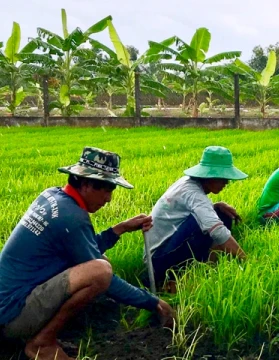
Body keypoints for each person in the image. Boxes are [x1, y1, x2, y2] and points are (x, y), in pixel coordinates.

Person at [0, 147, 175, 360]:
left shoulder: (52, 196)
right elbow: (105, 278)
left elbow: (82, 248)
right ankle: (42, 343)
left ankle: (43, 334)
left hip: (10, 303)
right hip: (12, 315)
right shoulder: (72, 218)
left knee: (98, 264)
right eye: (107, 189)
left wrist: (118, 229)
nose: (109, 198)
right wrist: (153, 302)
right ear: (85, 184)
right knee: (100, 270)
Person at [145, 146, 247, 292]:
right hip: (158, 261)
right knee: (210, 225)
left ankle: (203, 270)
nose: (227, 182)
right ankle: (172, 281)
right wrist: (246, 261)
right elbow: (217, 230)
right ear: (210, 176)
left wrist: (215, 206)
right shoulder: (192, 191)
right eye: (223, 178)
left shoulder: (189, 183)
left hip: (165, 251)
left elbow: (196, 210)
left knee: (221, 215)